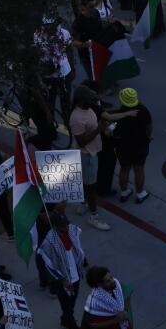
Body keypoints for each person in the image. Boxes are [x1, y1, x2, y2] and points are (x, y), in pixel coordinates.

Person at [38, 209, 88, 329]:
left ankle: (64, 321)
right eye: (62, 226)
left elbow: (78, 250)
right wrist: (62, 280)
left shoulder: (71, 231)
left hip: (76, 277)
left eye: (66, 224)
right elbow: (48, 265)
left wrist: (85, 263)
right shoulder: (49, 242)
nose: (66, 228)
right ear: (55, 227)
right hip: (63, 282)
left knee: (70, 305)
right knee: (68, 309)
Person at [68, 88, 112, 231]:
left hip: (92, 153)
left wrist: (104, 129)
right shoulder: (76, 118)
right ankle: (94, 216)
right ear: (82, 101)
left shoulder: (89, 109)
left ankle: (83, 203)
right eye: (91, 99)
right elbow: (81, 142)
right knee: (91, 187)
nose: (94, 101)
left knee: (86, 183)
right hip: (86, 155)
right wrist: (99, 129)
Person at [112, 87, 152, 203]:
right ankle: (140, 194)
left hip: (123, 146)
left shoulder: (120, 112)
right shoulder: (143, 111)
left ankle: (124, 192)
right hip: (140, 145)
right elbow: (149, 127)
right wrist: (148, 137)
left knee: (124, 169)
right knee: (139, 169)